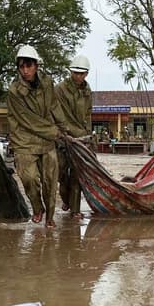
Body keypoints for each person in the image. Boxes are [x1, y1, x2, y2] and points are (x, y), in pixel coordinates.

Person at [7, 45, 64, 228]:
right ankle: (37, 208)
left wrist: (65, 128)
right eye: (22, 67)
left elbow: (54, 106)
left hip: (47, 140)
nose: (25, 71)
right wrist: (54, 132)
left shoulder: (47, 83)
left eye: (29, 66)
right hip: (24, 139)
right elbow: (28, 120)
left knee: (50, 180)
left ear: (36, 66)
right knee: (29, 178)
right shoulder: (14, 91)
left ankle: (50, 217)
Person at [54, 54, 93, 219]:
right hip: (63, 138)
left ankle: (75, 209)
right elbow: (56, 114)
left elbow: (88, 114)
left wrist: (88, 136)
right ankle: (66, 200)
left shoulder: (87, 91)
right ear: (70, 72)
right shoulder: (60, 89)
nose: (78, 76)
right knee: (61, 174)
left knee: (77, 175)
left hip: (81, 139)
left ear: (86, 74)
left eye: (81, 73)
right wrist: (63, 133)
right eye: (75, 73)